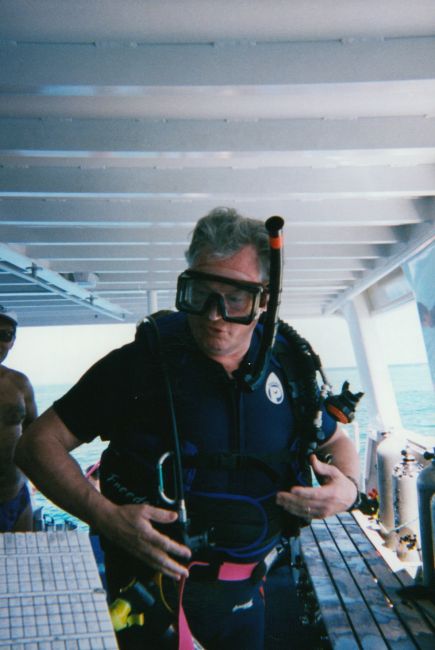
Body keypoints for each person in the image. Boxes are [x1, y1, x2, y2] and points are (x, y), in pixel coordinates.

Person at [15, 208, 360, 650]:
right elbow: (36, 445)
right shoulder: (141, 365)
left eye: (234, 297)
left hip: (248, 595)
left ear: (264, 300)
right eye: (200, 292)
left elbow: (335, 439)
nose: (213, 315)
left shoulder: (292, 370)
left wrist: (347, 489)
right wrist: (105, 517)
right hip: (148, 596)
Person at [0, 308, 38, 532]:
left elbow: (35, 437)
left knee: (23, 565)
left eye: (5, 335)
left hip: (16, 496)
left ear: (12, 341)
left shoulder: (20, 384)